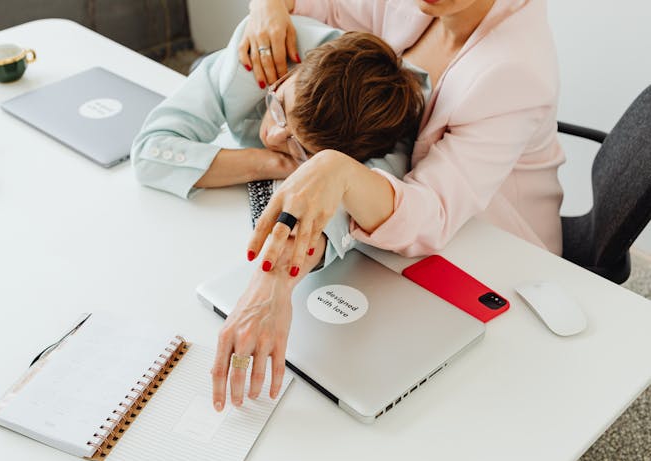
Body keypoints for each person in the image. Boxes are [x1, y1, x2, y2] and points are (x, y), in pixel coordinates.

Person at [212, 0, 565, 411]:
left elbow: (431, 213)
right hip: (390, 219)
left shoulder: (515, 72)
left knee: (354, 393)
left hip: (487, 254)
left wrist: (335, 170)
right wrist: (266, 8)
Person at [131, 15, 427, 409]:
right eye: (279, 107)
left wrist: (274, 284)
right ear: (294, 71)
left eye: (301, 148)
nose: (272, 135)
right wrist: (275, 164)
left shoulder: (391, 143)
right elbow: (151, 151)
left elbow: (340, 219)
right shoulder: (258, 52)